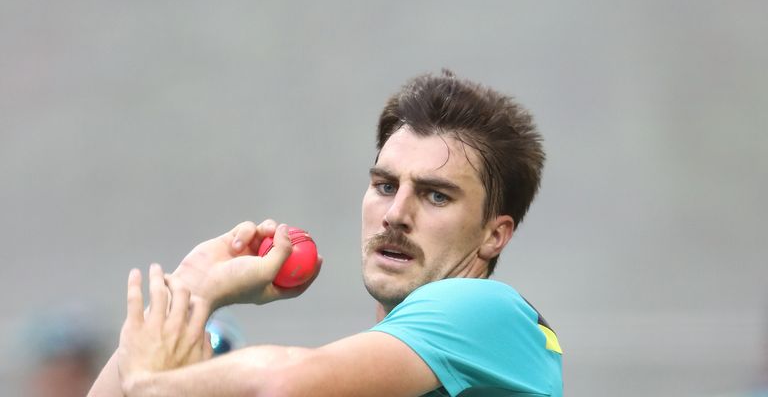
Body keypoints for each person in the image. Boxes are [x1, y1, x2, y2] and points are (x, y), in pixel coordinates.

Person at [88, 69, 563, 396]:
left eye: (436, 195)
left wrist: (150, 382)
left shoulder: (483, 310)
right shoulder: (374, 375)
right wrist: (194, 287)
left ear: (494, 236)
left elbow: (280, 384)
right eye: (384, 185)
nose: (396, 213)